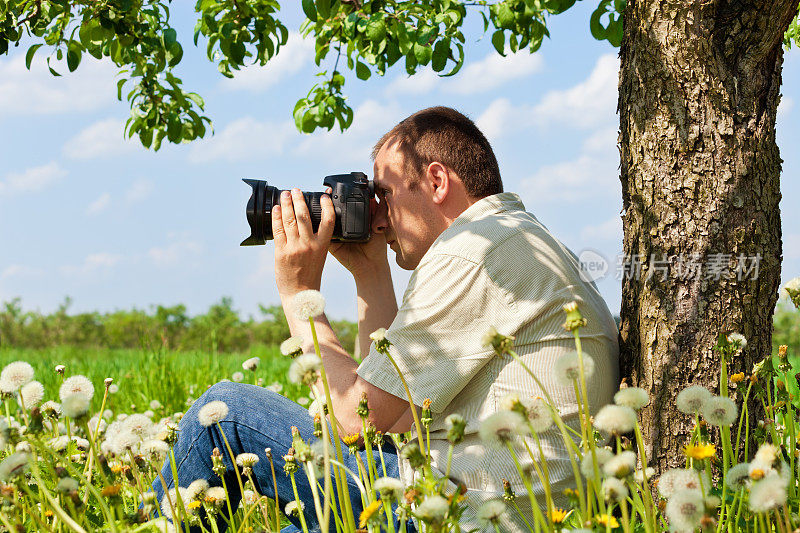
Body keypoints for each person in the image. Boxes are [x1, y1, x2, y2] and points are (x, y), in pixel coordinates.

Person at [152, 106, 619, 532]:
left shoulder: (473, 253)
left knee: (225, 412)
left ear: (436, 182)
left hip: (465, 515)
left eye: (384, 195)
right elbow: (389, 416)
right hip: (505, 509)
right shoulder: (514, 240)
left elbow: (357, 425)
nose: (378, 220)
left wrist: (299, 293)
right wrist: (370, 272)